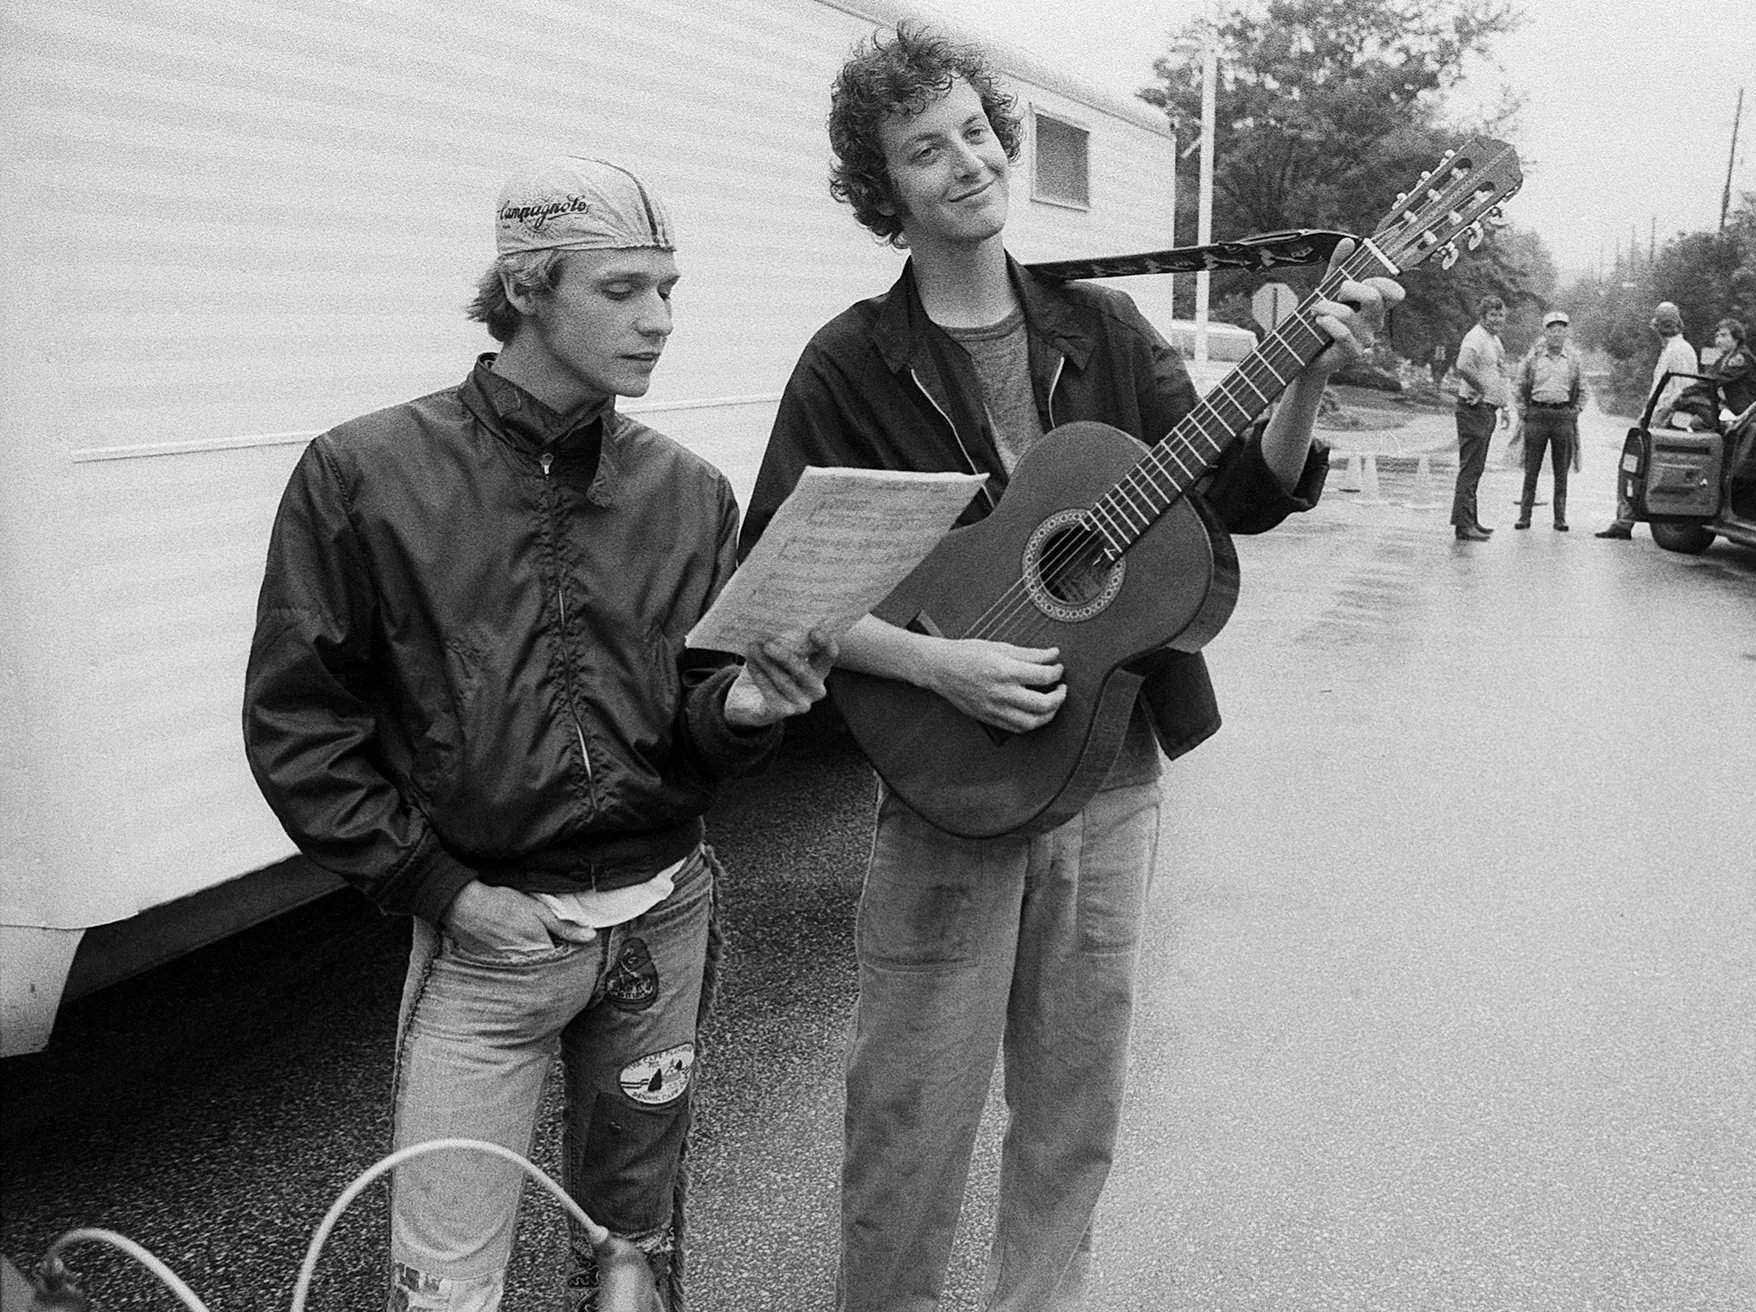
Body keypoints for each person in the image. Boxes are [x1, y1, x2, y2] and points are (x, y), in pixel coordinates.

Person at [741, 26, 1401, 1312]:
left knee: (1073, 1106)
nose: (967, 162)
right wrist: (941, 668)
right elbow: (785, 584)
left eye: (975, 132)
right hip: (948, 787)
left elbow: (1236, 495)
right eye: (924, 150)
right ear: (883, 192)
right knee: (910, 1111)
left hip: (1109, 772)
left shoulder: (1099, 328)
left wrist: (1306, 378)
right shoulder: (850, 362)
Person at [242, 156, 836, 1312]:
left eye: (668, 288)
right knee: (444, 1288)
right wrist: (443, 891)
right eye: (621, 289)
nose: (659, 319)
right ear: (523, 287)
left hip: (663, 917)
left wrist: (747, 710)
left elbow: (693, 717)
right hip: (488, 943)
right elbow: (298, 723)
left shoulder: (687, 492)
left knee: (633, 1255)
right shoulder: (364, 473)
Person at [1595, 300, 1700, 541]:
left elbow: (1681, 391)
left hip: (1665, 421)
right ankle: (1625, 521)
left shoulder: (1678, 351)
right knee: (1634, 467)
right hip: (1658, 417)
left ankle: (1626, 521)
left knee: (1635, 467)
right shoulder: (1674, 349)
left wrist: (1658, 417)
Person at [1509, 309, 1585, 530]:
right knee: (1531, 468)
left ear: (1566, 334)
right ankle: (1525, 516)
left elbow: (1583, 388)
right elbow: (1519, 385)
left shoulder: (1573, 360)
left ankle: (1560, 518)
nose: (1556, 335)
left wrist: (1575, 411)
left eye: (1561, 330)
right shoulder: (1533, 359)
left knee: (1561, 470)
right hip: (1537, 415)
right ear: (1545, 333)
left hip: (1562, 417)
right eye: (1552, 330)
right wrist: (1523, 411)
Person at [1449, 293, 1510, 540]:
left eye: (1501, 315)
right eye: (1492, 315)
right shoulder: (1476, 336)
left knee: (1477, 468)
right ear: (1482, 316)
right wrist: (1482, 389)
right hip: (1473, 408)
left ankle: (1471, 519)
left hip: (1487, 409)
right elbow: (1463, 365)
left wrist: (1504, 405)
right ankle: (1463, 525)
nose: (1497, 319)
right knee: (1470, 468)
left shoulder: (1492, 339)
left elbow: (1498, 372)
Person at [1709, 317, 1756, 420]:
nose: (1718, 341)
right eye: (1717, 336)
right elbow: (1708, 376)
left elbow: (1717, 379)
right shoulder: (1723, 359)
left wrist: (1687, 392)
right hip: (1728, 411)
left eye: (1723, 335)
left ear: (1736, 338)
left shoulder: (1741, 357)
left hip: (1743, 416)